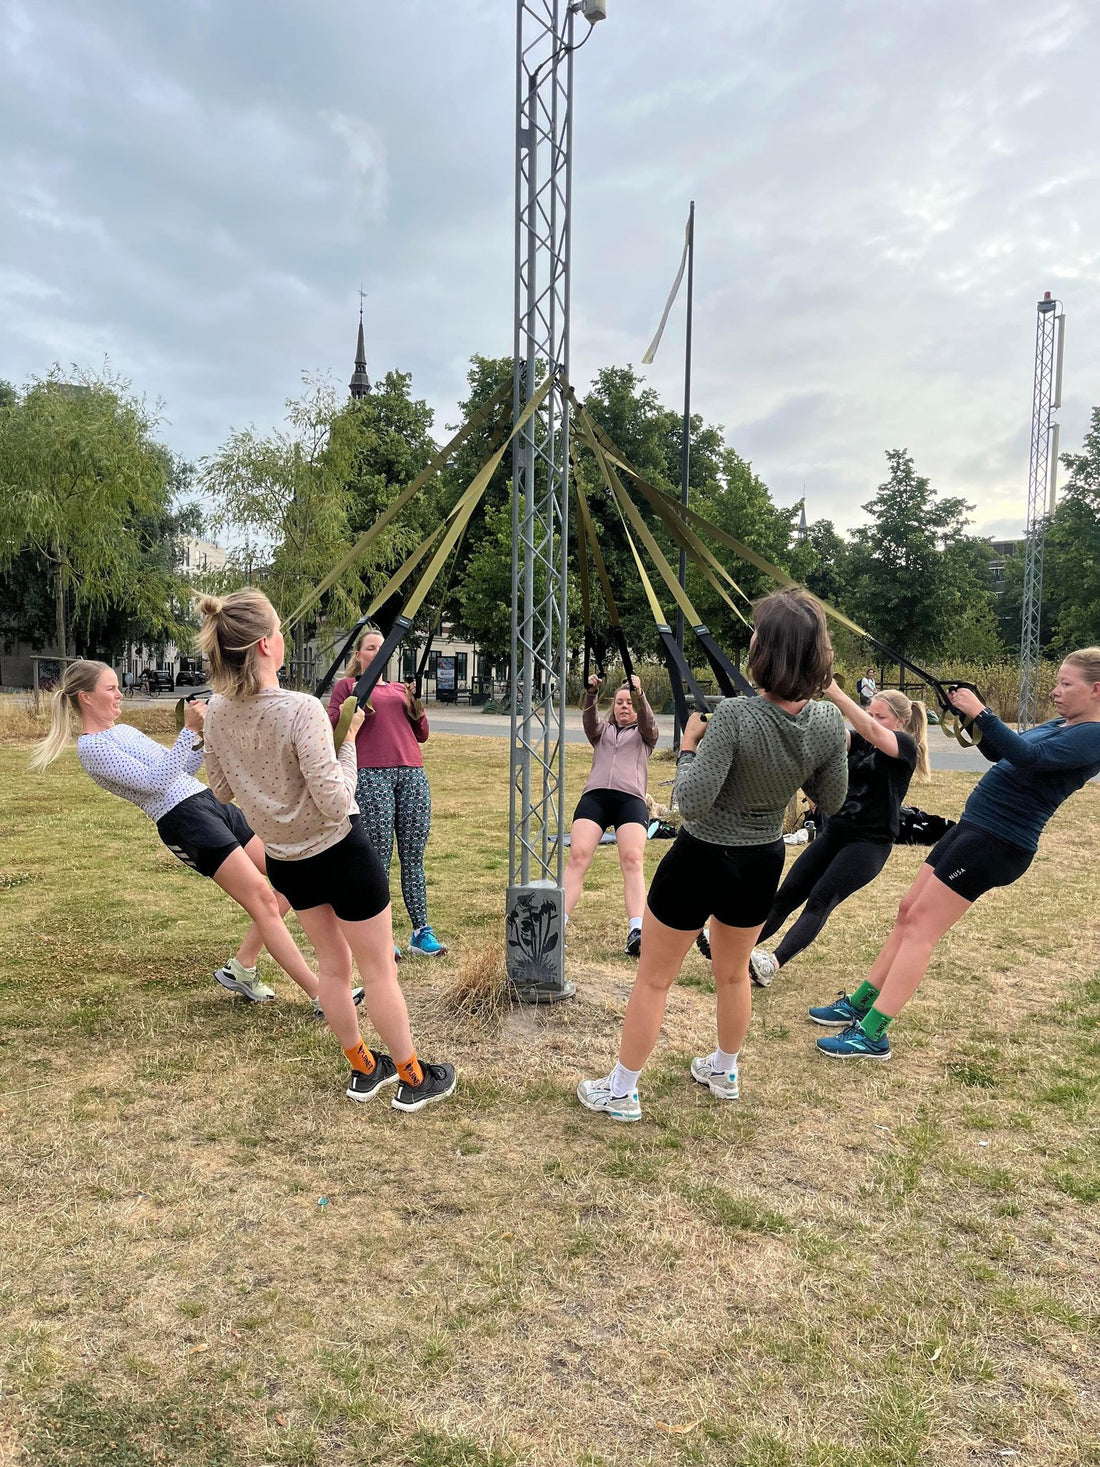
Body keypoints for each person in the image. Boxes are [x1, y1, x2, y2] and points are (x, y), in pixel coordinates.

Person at [577, 589, 849, 1122]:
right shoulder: (824, 721)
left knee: (655, 977)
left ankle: (622, 1090)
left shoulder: (734, 716)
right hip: (762, 860)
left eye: (756, 634)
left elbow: (691, 801)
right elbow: (833, 798)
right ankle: (725, 1070)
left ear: (768, 650)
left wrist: (688, 745)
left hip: (701, 856)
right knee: (733, 973)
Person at [199, 590, 455, 1112]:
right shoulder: (302, 709)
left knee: (333, 969)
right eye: (279, 631)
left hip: (286, 863)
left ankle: (364, 1067)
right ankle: (412, 1077)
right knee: (379, 969)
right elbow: (337, 802)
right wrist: (349, 740)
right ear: (266, 644)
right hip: (341, 854)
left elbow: (221, 790)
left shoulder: (217, 711)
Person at [810, 649, 1100, 1060]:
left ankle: (873, 1034)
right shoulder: (1062, 724)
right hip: (973, 828)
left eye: (1066, 684)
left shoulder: (1093, 735)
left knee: (921, 928)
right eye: (1057, 681)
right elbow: (1001, 752)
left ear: (1096, 690)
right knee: (908, 911)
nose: (1055, 690)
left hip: (998, 842)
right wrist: (968, 717)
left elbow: (1029, 757)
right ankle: (860, 1003)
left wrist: (983, 712)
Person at [29, 659, 332, 1011]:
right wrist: (188, 730)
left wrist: (203, 733)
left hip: (207, 801)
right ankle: (322, 995)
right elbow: (155, 783)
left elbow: (180, 769)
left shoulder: (123, 731)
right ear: (86, 697)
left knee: (290, 873)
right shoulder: (91, 747)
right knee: (263, 899)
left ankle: (242, 966)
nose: (120, 694)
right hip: (184, 819)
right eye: (111, 688)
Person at [744, 683, 930, 985]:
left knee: (819, 901)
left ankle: (772, 964)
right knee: (786, 895)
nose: (872, 719)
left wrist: (833, 690)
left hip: (869, 844)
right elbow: (830, 730)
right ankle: (736, 951)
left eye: (880, 716)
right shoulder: (861, 741)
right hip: (835, 833)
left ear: (901, 721)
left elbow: (870, 730)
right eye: (871, 713)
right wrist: (795, 694)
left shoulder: (905, 746)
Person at [327, 627, 446, 959]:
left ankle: (421, 932)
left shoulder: (399, 689)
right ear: (358, 655)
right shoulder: (347, 687)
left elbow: (422, 733)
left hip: (411, 772)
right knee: (378, 858)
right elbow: (333, 726)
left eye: (382, 648)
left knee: (413, 857)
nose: (378, 652)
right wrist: (356, 701)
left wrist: (416, 705)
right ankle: (381, 936)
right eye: (371, 647)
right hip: (371, 773)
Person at [564, 673, 658, 957]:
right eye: (619, 702)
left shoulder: (644, 735)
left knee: (632, 859)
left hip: (630, 799)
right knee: (578, 856)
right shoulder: (601, 732)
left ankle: (637, 930)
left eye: (629, 703)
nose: (624, 707)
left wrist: (640, 695)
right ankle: (557, 923)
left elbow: (650, 723)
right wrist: (591, 692)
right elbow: (588, 719)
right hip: (596, 796)